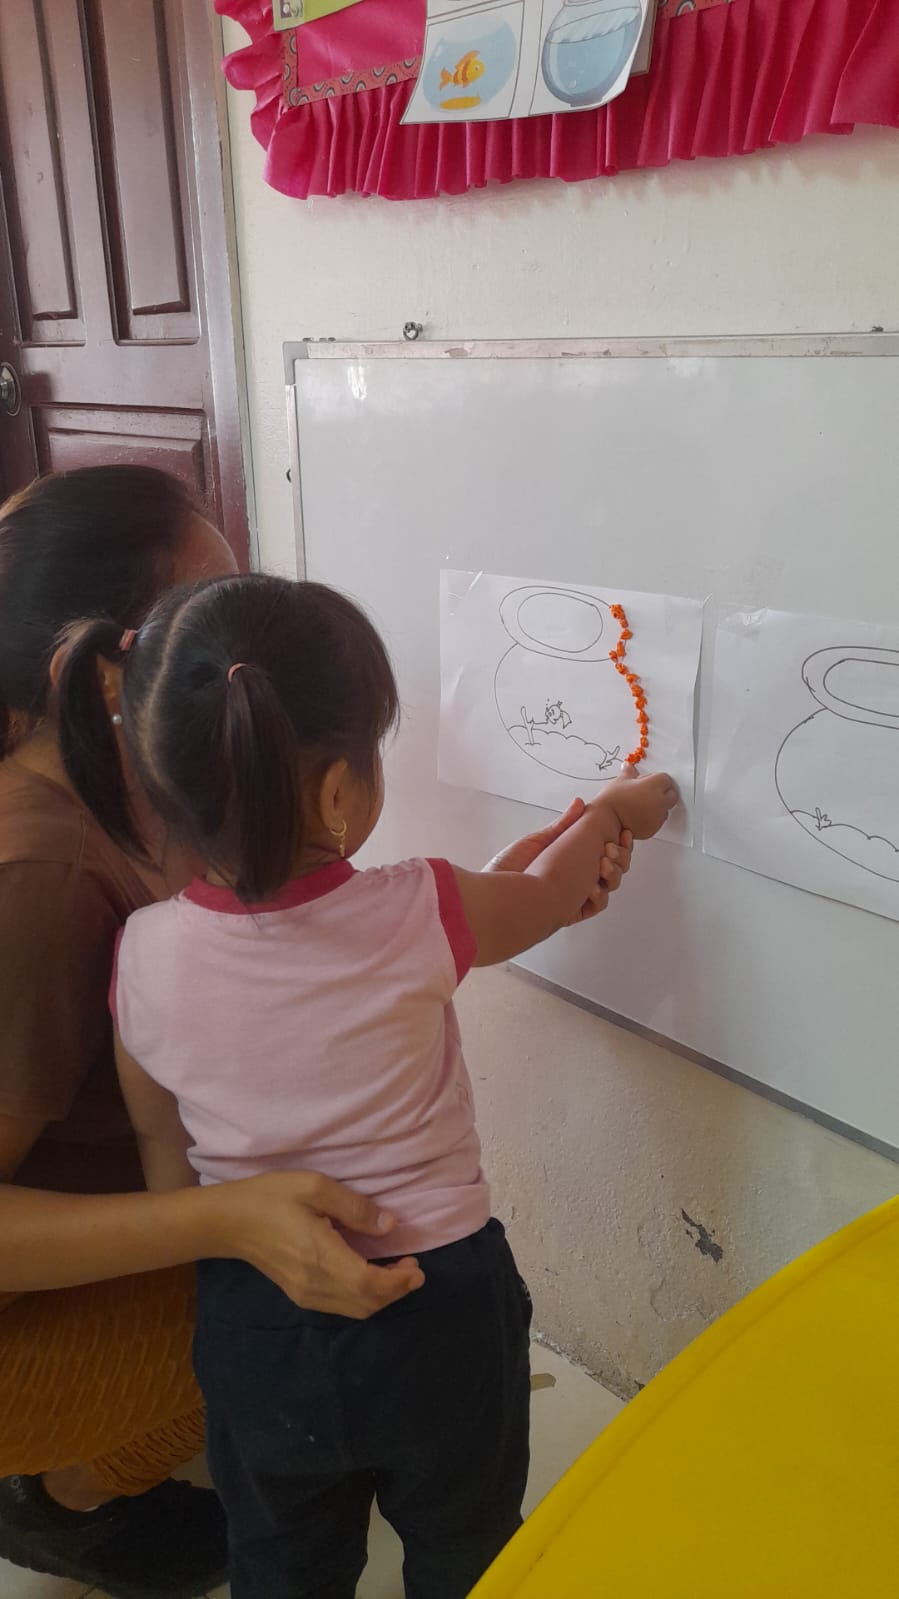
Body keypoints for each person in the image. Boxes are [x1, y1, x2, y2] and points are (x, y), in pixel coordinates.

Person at [57, 570, 678, 1599]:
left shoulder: (144, 953)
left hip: (256, 1311)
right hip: (437, 1307)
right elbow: (546, 895)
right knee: (467, 1548)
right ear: (339, 794)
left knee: (280, 1563)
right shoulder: (423, 907)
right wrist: (618, 806)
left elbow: (165, 1147)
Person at [0, 468, 426, 1599]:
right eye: (205, 605)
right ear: (103, 671)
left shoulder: (139, 788)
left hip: (109, 1201)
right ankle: (64, 1496)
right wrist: (224, 1221)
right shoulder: (38, 872)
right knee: (291, 1320)